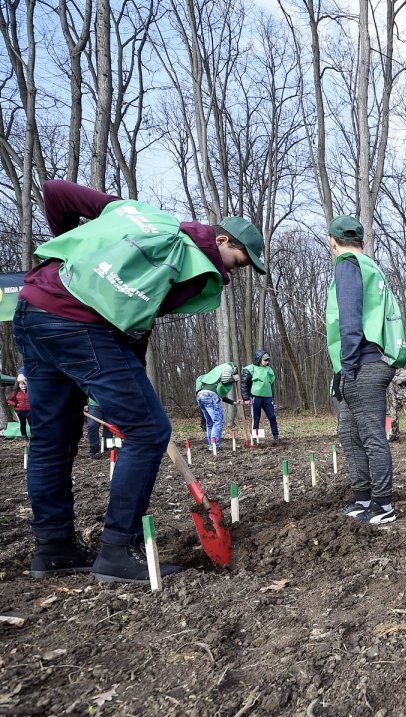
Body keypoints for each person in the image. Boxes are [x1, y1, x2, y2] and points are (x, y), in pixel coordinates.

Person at [13, 179, 264, 583]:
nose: (233, 275)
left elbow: (56, 192)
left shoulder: (140, 217)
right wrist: (84, 253)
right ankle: (117, 550)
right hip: (78, 324)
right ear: (220, 240)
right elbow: (54, 189)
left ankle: (54, 549)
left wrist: (84, 253)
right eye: (237, 262)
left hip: (34, 311)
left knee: (51, 439)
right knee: (148, 431)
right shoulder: (187, 260)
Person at [326, 215, 406, 525]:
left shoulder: (348, 265)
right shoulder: (370, 267)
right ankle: (362, 498)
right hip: (357, 363)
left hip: (363, 362)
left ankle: (383, 504)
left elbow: (349, 319)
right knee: (349, 433)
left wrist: (347, 366)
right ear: (362, 241)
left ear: (333, 241)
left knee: (371, 434)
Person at [195, 361, 239, 448]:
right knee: (218, 422)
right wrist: (234, 378)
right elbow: (225, 380)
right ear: (235, 368)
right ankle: (214, 446)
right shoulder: (229, 366)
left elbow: (220, 396)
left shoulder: (212, 380)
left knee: (210, 423)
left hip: (201, 396)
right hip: (210, 396)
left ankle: (211, 445)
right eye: (236, 371)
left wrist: (234, 402)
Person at [240, 349, 280, 444]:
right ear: (259, 359)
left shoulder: (269, 370)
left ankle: (276, 436)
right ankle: (254, 438)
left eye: (268, 360)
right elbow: (244, 384)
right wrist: (246, 398)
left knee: (272, 416)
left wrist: (272, 395)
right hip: (256, 397)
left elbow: (270, 383)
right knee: (256, 418)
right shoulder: (250, 369)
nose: (267, 362)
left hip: (267, 397)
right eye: (265, 360)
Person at [386, 367, 406, 440]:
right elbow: (391, 390)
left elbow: (399, 381)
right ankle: (394, 434)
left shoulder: (404, 372)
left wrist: (390, 376)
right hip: (396, 398)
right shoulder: (391, 375)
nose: (395, 370)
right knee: (393, 416)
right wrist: (393, 401)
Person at [6, 373, 30, 438]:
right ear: (19, 385)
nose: (23, 386)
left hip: (30, 411)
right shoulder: (15, 392)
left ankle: (34, 436)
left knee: (32, 424)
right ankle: (24, 436)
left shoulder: (30, 391)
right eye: (22, 385)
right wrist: (15, 404)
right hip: (20, 411)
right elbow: (8, 400)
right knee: (23, 424)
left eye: (25, 385)